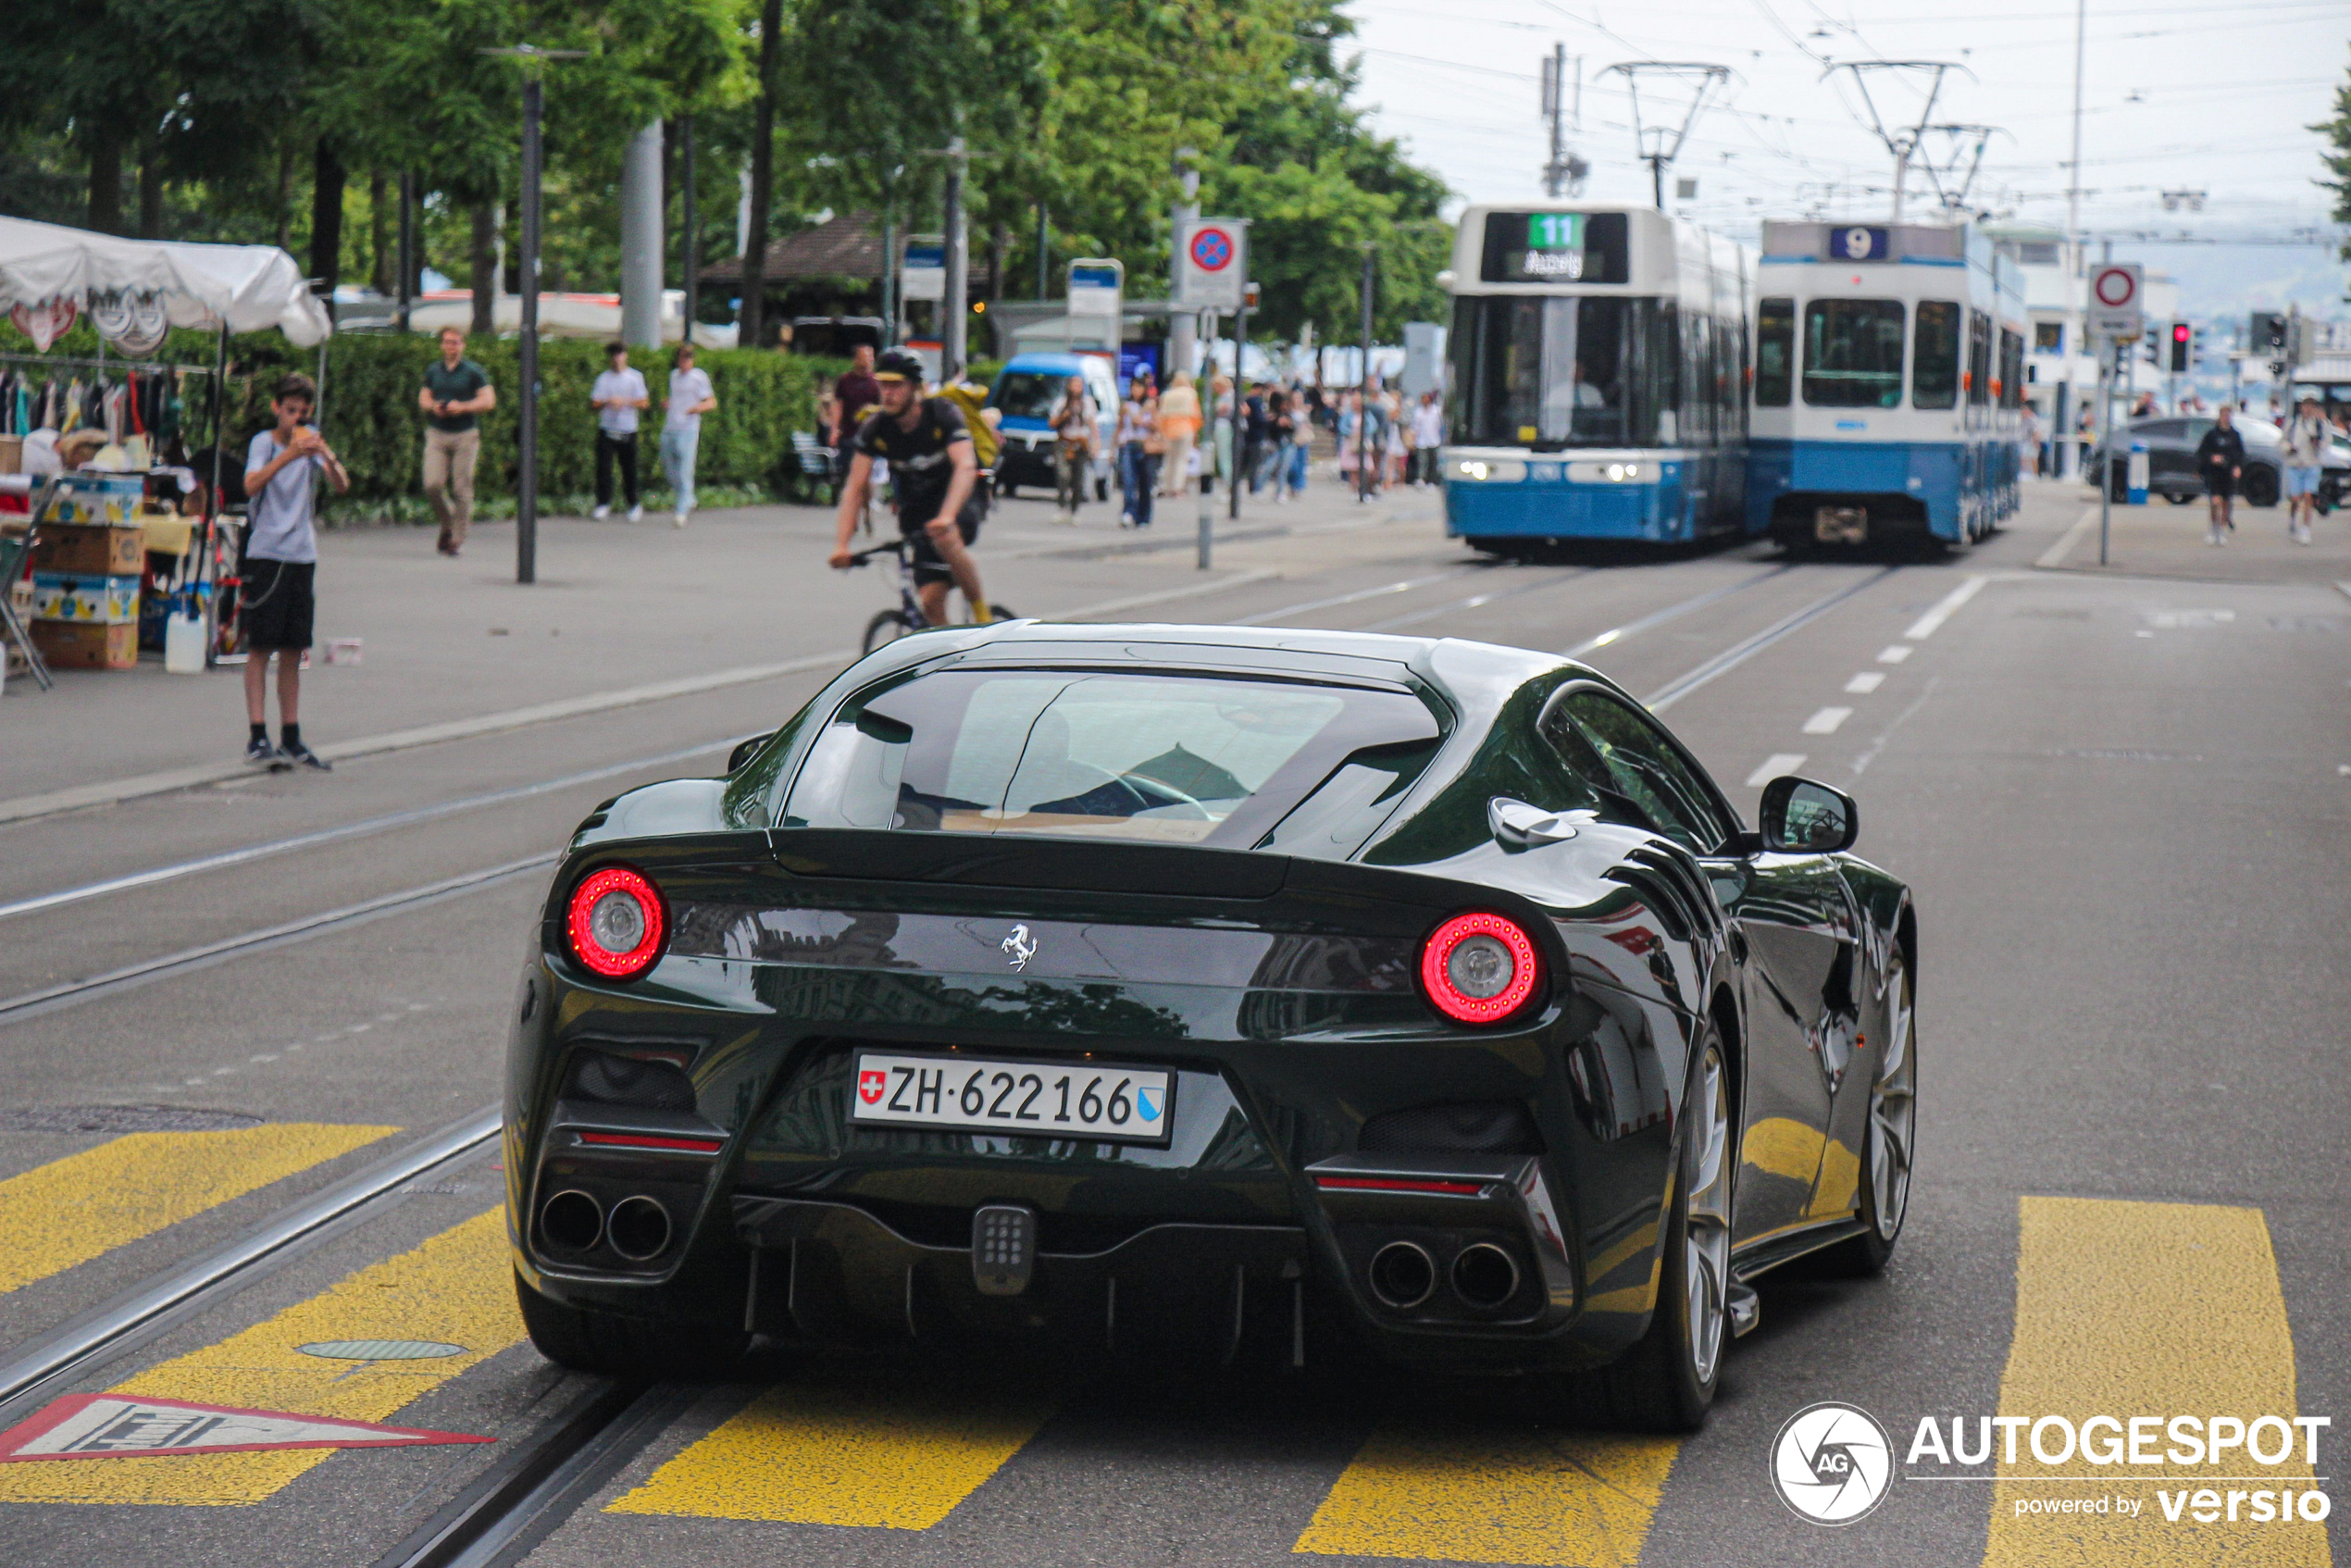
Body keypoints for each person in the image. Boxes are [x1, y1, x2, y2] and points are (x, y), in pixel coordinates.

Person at [827, 349, 991, 627]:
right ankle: (948, 661)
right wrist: (842, 545)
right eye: (883, 385)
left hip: (960, 497)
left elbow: (965, 466)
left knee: (946, 537)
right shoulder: (876, 427)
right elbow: (855, 487)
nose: (887, 393)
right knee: (930, 602)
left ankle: (982, 614)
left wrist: (948, 516)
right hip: (918, 509)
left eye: (896, 385)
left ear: (915, 388)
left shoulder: (942, 413)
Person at [240, 373, 348, 771]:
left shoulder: (311, 442)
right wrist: (289, 454)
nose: (296, 418)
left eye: (303, 412)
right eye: (290, 411)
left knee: (293, 647)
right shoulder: (263, 443)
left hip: (302, 553)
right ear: (276, 409)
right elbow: (250, 484)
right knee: (260, 646)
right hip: (268, 552)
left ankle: (291, 733)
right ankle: (256, 733)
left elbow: (341, 485)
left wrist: (326, 455)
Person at [418, 325, 493, 557]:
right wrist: (434, 407)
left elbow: (488, 401)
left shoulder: (473, 372)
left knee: (462, 487)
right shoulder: (434, 371)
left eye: (456, 342)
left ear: (463, 345)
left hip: (465, 434)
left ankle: (457, 537)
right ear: (442, 344)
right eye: (447, 342)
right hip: (438, 432)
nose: (451, 346)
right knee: (432, 484)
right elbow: (424, 397)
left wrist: (462, 407)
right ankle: (448, 522)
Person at [590, 342, 649, 521]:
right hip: (607, 429)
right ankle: (603, 504)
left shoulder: (634, 377)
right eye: (613, 355)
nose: (617, 358)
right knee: (604, 468)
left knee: (629, 468)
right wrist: (608, 402)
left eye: (620, 354)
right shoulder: (603, 378)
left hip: (627, 429)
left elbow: (644, 402)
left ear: (625, 356)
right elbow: (594, 403)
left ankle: (633, 504)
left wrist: (624, 402)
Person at [660, 342, 717, 528]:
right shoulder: (674, 377)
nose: (686, 362)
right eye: (683, 358)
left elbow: (711, 402)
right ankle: (689, 497)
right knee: (669, 468)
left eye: (689, 358)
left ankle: (681, 511)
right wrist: (669, 403)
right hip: (671, 426)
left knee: (685, 470)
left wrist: (696, 408)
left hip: (688, 428)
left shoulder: (698, 377)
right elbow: (676, 398)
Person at [2194, 404, 2245, 546]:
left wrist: (2237, 467)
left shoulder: (2235, 435)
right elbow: (2202, 452)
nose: (2225, 418)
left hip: (2228, 472)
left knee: (2226, 502)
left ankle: (2221, 530)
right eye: (2223, 415)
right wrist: (2211, 458)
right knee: (2215, 501)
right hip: (2214, 472)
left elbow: (2240, 454)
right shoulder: (2212, 434)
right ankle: (2213, 528)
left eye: (2228, 415)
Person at [2282, 393, 2327, 547]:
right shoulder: (2293, 423)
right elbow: (2282, 442)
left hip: (2312, 463)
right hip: (2296, 464)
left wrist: (2318, 443)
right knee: (2296, 498)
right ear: (2301, 408)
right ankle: (2293, 520)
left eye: (2311, 407)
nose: (2308, 410)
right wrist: (2289, 448)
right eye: (2306, 406)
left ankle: (2306, 529)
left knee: (2308, 496)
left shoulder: (2320, 425)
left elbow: (2326, 443)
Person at [831, 342, 880, 484]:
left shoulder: (876, 383)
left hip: (871, 436)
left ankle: (867, 501)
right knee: (848, 471)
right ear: (855, 360)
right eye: (864, 358)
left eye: (871, 358)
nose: (868, 361)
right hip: (849, 434)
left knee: (869, 474)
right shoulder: (845, 381)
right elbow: (838, 405)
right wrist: (834, 429)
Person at [1116, 372, 1160, 528]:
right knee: (1128, 480)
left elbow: (1157, 426)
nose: (1136, 391)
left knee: (1145, 482)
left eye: (1139, 387)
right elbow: (1122, 426)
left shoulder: (1151, 405)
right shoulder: (1126, 406)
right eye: (1133, 387)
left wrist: (1144, 416)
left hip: (1145, 446)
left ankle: (1143, 516)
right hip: (1129, 443)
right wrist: (1113, 448)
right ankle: (1128, 511)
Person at [1049, 374, 1094, 523]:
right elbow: (1052, 423)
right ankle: (1062, 507)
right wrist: (1064, 416)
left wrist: (1095, 442)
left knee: (1078, 479)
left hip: (1080, 443)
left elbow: (1092, 424)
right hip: (1064, 442)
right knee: (1063, 475)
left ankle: (1074, 510)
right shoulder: (1061, 402)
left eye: (1079, 385)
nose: (1076, 388)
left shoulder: (1087, 403)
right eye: (1074, 384)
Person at [1156, 370, 1200, 497]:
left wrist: (1161, 432)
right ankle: (1177, 488)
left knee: (1168, 459)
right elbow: (1196, 414)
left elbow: (1161, 415)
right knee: (1181, 459)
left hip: (1169, 430)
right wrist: (1195, 431)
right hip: (1185, 429)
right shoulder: (1191, 394)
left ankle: (1164, 486)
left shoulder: (1167, 395)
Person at [1411, 391, 1445, 487]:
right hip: (1421, 440)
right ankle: (1421, 479)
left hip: (1434, 440)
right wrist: (1413, 440)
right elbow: (1414, 427)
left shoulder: (1436, 411)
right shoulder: (1418, 412)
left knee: (1433, 462)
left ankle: (1432, 481)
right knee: (1422, 461)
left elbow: (1441, 425)